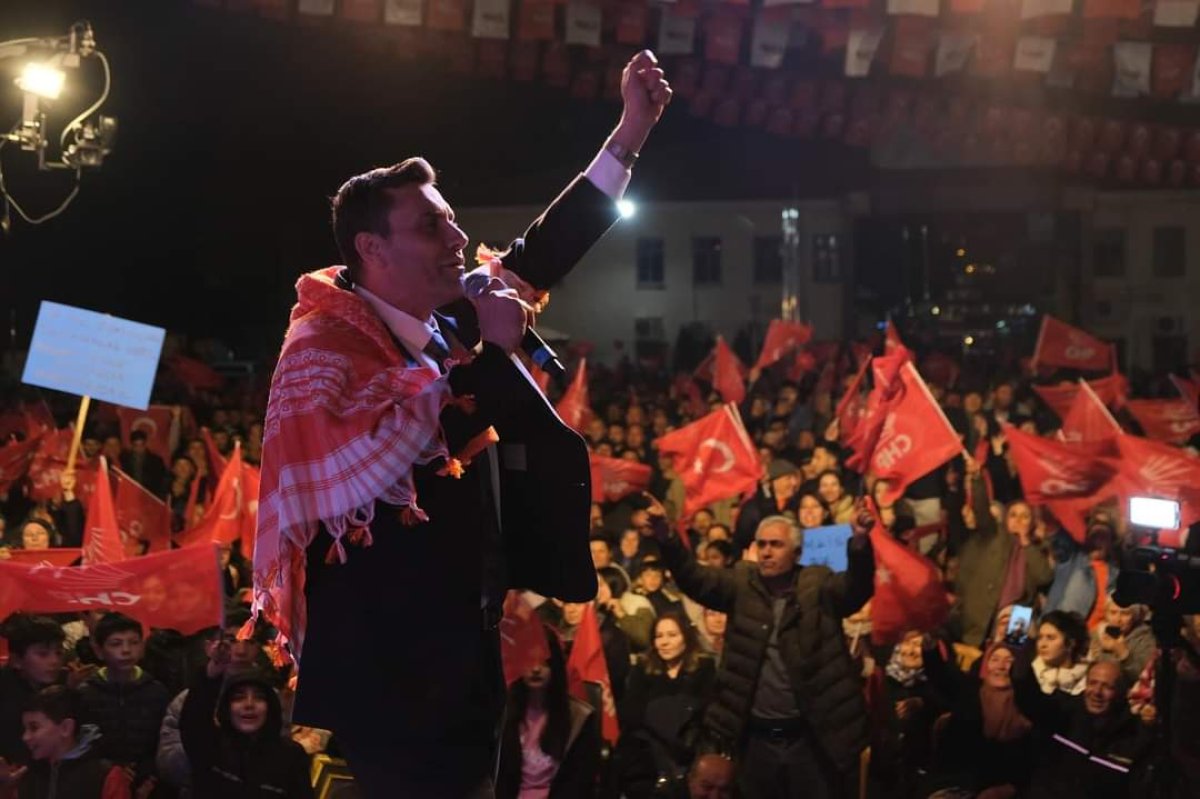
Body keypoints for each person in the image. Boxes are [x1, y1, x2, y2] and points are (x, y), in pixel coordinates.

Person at [251, 52, 671, 796]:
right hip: (391, 675)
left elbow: (541, 253)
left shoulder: (446, 321)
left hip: (468, 651)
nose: (456, 239)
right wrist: (492, 353)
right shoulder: (321, 350)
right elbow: (386, 461)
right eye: (430, 226)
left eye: (450, 219)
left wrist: (629, 134)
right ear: (372, 249)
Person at [649, 496, 874, 799]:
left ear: (797, 552)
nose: (766, 552)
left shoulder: (818, 585)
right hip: (756, 742)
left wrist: (858, 542)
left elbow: (856, 589)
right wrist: (667, 537)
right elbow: (694, 578)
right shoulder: (742, 583)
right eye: (762, 544)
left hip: (811, 741)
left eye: (776, 545)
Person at [180, 642, 313, 799]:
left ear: (270, 706)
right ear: (227, 707)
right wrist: (211, 674)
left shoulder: (291, 757)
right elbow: (193, 718)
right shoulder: (211, 745)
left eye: (259, 697)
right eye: (239, 697)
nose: (249, 704)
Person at [615, 613, 716, 798]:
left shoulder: (704, 667)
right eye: (659, 636)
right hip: (648, 753)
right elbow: (632, 713)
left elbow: (706, 711)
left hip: (691, 749)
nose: (664, 642)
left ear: (686, 637)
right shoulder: (642, 668)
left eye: (672, 635)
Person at [495, 624, 600, 799]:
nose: (536, 668)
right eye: (529, 660)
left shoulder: (579, 718)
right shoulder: (503, 713)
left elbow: (580, 784)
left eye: (543, 661)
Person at [76, 613, 169, 788]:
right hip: (101, 781)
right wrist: (110, 768)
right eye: (116, 644)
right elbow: (83, 744)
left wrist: (150, 776)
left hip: (148, 781)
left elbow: (162, 742)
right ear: (99, 650)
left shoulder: (156, 691)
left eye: (133, 642)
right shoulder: (86, 693)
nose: (126, 650)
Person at [4, 685, 140, 799]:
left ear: (65, 728)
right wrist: (5, 791)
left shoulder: (105, 776)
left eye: (34, 728)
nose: (26, 737)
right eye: (25, 729)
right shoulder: (23, 775)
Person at [0, 615, 65, 766]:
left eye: (59, 652)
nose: (55, 661)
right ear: (16, 660)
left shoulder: (62, 685)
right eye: (43, 654)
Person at [119, 430, 169, 496]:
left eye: (141, 445)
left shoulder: (156, 461)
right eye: (136, 445)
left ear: (145, 444)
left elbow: (161, 481)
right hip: (129, 494)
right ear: (132, 446)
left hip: (150, 495)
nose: (139, 449)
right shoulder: (124, 459)